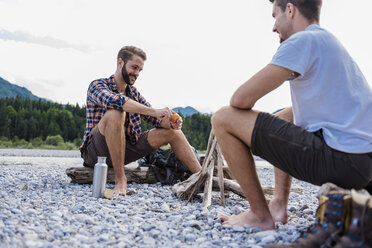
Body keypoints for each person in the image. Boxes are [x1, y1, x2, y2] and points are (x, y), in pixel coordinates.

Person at [211, 0, 372, 231]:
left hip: (343, 163)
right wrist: (267, 129)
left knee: (224, 118)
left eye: (275, 16)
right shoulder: (329, 42)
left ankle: (259, 215)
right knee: (284, 117)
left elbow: (239, 100)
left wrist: (247, 130)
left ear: (290, 9)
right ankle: (278, 205)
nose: (274, 27)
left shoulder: (303, 40)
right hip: (365, 165)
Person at [80, 46, 201, 196]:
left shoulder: (134, 93)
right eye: (134, 67)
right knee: (116, 112)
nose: (136, 73)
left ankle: (201, 178)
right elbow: (117, 101)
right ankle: (120, 180)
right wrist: (155, 111)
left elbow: (155, 119)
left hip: (124, 149)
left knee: (173, 133)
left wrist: (169, 123)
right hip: (96, 153)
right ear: (120, 62)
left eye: (140, 70)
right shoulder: (97, 85)